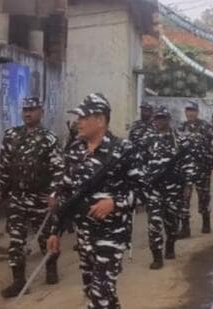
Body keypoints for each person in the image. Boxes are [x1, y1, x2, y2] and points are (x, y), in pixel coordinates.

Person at [47, 93, 144, 309]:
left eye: (83, 117)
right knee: (96, 292)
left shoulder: (124, 150)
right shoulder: (74, 151)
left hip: (112, 235)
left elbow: (142, 190)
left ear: (100, 120)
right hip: (84, 236)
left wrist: (115, 203)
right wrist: (56, 231)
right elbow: (66, 194)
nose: (78, 122)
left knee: (99, 296)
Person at [0, 97, 65, 298]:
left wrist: (53, 194)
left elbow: (59, 169)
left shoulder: (49, 138)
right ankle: (18, 281)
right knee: (16, 240)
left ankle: (51, 267)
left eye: (32, 109)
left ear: (41, 112)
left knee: (45, 239)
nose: (27, 113)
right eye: (25, 109)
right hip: (17, 197)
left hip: (40, 198)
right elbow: (4, 167)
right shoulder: (11, 136)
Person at [142, 106, 195, 270]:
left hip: (174, 188)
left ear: (168, 120)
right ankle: (157, 256)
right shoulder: (148, 140)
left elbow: (188, 163)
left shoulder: (179, 140)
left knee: (172, 223)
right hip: (154, 189)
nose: (159, 121)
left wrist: (188, 184)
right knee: (154, 224)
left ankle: (170, 245)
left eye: (162, 118)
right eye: (156, 118)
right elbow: (141, 163)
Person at [178, 101, 213, 238]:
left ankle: (206, 223)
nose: (190, 113)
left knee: (204, 197)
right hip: (185, 171)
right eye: (188, 110)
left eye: (193, 110)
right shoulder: (181, 128)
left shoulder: (205, 126)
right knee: (184, 199)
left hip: (203, 169)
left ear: (197, 112)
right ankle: (185, 229)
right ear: (185, 112)